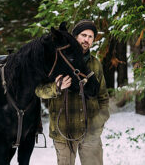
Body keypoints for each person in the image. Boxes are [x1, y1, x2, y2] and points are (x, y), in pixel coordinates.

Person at [35, 20, 110, 165]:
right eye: (83, 35)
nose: (86, 39)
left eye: (90, 37)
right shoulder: (56, 59)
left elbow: (103, 97)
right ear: (75, 37)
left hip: (91, 132)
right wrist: (56, 87)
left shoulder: (95, 64)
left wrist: (100, 122)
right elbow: (39, 90)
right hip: (64, 132)